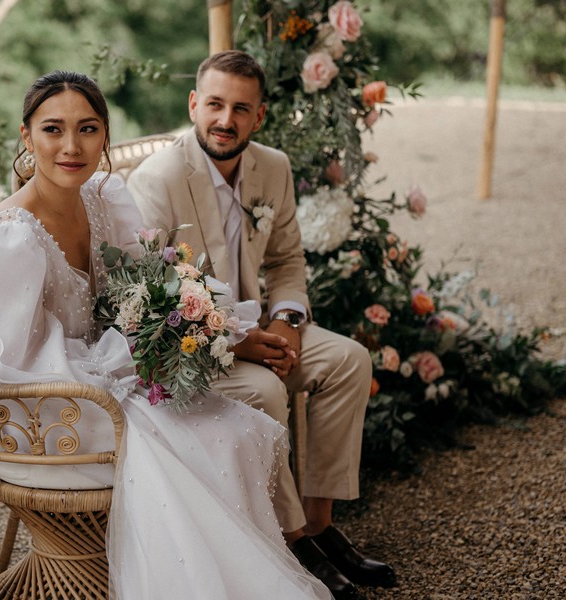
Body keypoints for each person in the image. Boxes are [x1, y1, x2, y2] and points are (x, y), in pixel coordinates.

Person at [0, 70, 332, 600]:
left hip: (104, 370)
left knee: (236, 432)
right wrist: (116, 369)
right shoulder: (12, 238)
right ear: (26, 136)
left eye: (89, 129)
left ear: (105, 136)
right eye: (53, 130)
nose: (71, 147)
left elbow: (154, 280)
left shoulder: (102, 198)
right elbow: (7, 367)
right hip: (47, 407)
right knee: (210, 437)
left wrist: (196, 326)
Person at [127, 50, 397, 600]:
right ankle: (290, 540)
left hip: (262, 325)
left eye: (240, 109)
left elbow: (287, 262)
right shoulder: (156, 179)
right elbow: (152, 297)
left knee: (349, 360)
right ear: (194, 104)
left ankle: (320, 524)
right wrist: (239, 342)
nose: (225, 120)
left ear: (260, 116)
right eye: (215, 105)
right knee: (266, 387)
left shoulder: (272, 167)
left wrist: (289, 321)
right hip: (190, 342)